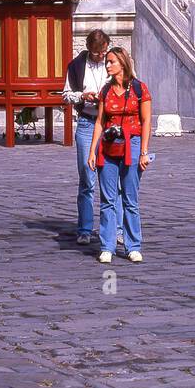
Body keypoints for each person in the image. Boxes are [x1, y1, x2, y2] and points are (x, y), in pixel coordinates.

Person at [87, 47, 152, 263]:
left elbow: (146, 122)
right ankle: (107, 245)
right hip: (108, 145)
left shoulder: (139, 89)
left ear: (122, 63)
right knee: (107, 199)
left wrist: (144, 152)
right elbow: (99, 122)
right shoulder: (105, 91)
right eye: (107, 62)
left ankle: (133, 245)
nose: (107, 66)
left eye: (111, 61)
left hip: (132, 143)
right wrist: (92, 150)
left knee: (130, 199)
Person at [62, 29, 113, 245]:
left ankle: (113, 228)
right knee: (86, 176)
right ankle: (84, 228)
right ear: (89, 50)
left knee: (111, 178)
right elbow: (65, 94)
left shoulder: (114, 62)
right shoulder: (76, 65)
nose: (102, 57)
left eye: (104, 53)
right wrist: (83, 96)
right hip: (87, 121)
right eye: (97, 54)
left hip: (110, 123)